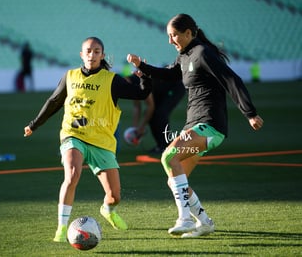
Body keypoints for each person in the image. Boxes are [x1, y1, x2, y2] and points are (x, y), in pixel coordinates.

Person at [127, 13, 264, 238]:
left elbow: (232, 80)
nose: (170, 41)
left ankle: (184, 219)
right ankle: (205, 222)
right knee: (175, 180)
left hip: (210, 125)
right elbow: (170, 74)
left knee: (169, 156)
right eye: (168, 36)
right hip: (196, 125)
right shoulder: (185, 55)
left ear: (189, 33)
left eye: (174, 35)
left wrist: (250, 113)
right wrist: (142, 66)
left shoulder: (202, 53)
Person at [24, 37, 152, 242]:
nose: (92, 54)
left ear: (102, 55)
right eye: (88, 51)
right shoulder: (70, 76)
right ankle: (62, 228)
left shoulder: (112, 80)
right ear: (81, 54)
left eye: (96, 51)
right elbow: (54, 101)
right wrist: (34, 124)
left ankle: (108, 210)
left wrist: (144, 74)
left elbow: (142, 93)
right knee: (72, 174)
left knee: (115, 196)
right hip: (73, 135)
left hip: (102, 141)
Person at [126, 72, 185, 154]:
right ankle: (161, 146)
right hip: (160, 90)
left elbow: (151, 106)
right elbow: (137, 107)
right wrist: (135, 127)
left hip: (175, 87)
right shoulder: (130, 85)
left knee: (160, 114)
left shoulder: (140, 83)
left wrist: (142, 127)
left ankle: (166, 146)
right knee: (151, 114)